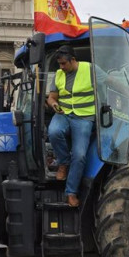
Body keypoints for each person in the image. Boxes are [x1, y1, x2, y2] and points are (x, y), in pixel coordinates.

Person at [46, 46, 105, 207]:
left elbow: (109, 82)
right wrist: (54, 105)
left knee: (79, 156)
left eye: (64, 64)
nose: (61, 67)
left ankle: (71, 192)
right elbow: (51, 97)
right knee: (53, 131)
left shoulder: (90, 69)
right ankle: (63, 163)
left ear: (73, 60)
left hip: (84, 117)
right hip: (63, 113)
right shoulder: (59, 75)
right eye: (60, 64)